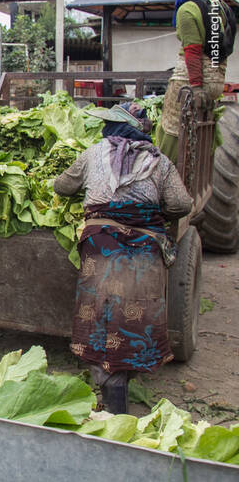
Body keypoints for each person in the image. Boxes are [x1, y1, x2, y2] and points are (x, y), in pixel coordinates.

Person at [54, 104, 193, 414]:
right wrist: (149, 210)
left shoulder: (93, 153)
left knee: (102, 312)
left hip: (101, 243)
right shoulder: (159, 161)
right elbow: (182, 204)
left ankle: (111, 392)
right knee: (135, 312)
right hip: (145, 245)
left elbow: (62, 187)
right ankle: (122, 380)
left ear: (112, 131)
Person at [156, 0, 234, 163]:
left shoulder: (188, 9)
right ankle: (198, 168)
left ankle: (166, 173)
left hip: (190, 82)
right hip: (215, 81)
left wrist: (197, 87)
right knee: (200, 128)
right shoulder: (221, 7)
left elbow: (192, 50)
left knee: (170, 126)